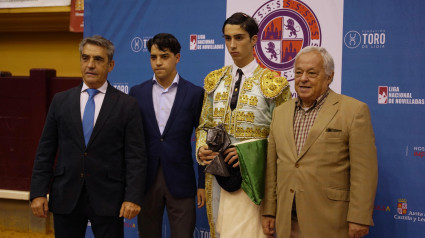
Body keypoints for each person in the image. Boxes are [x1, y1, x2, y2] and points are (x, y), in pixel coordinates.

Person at [30, 35, 147, 238]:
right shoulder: (61, 101)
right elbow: (45, 152)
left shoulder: (127, 105)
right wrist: (38, 192)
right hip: (66, 196)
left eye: (98, 59)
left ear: (111, 65)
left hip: (109, 198)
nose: (90, 65)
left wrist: (133, 197)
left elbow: (136, 156)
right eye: (85, 58)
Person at [262, 46, 378, 238]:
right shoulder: (280, 112)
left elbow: (364, 171)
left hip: (330, 220)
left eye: (312, 73)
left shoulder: (354, 111)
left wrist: (360, 216)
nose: (303, 78)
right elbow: (272, 167)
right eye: (298, 72)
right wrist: (269, 210)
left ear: (329, 77)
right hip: (286, 221)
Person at [196, 12, 291, 238]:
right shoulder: (214, 80)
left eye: (238, 38)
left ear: (254, 39)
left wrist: (249, 154)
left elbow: (284, 138)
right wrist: (201, 148)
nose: (232, 45)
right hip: (218, 175)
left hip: (254, 178)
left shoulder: (274, 83)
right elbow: (204, 126)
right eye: (227, 38)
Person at [129, 33, 206, 238]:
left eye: (164, 56)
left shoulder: (195, 94)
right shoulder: (137, 93)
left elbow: (202, 139)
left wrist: (202, 183)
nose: (158, 62)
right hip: (146, 181)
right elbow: (131, 143)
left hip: (182, 180)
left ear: (177, 58)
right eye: (153, 57)